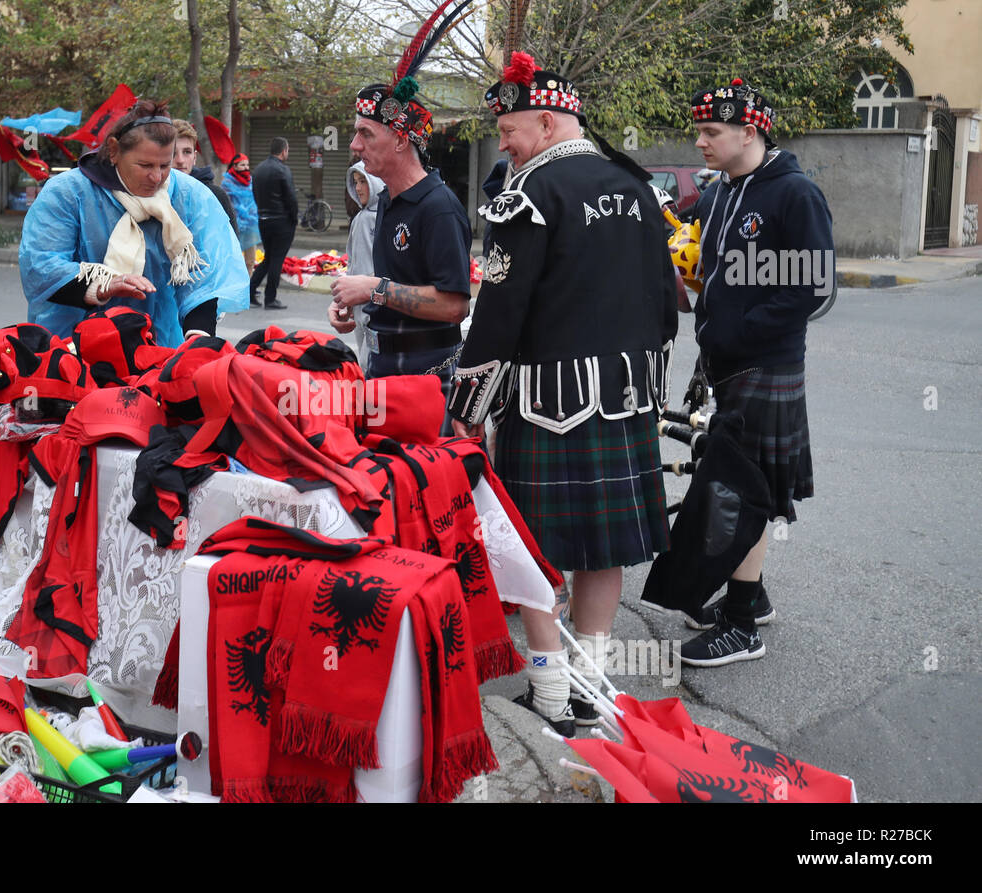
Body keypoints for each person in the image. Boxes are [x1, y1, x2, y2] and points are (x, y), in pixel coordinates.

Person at [446, 54, 678, 735]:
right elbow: (667, 302)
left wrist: (467, 412)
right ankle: (589, 680)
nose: (504, 145)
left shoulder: (527, 196)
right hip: (628, 396)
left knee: (530, 544)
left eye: (510, 130)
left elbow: (497, 318)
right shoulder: (636, 188)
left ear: (546, 121)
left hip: (544, 403)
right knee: (602, 548)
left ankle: (550, 688)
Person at [678, 78, 833, 667]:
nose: (701, 142)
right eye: (700, 131)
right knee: (740, 485)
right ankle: (754, 594)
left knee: (743, 494)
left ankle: (742, 625)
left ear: (751, 132)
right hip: (725, 366)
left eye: (712, 131)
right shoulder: (719, 195)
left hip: (766, 364)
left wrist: (741, 332)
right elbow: (710, 276)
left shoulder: (795, 194)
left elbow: (813, 287)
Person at [19, 99, 249, 344]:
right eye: (145, 165)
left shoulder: (188, 195)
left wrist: (198, 339)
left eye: (165, 165)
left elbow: (203, 276)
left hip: (160, 344)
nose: (157, 177)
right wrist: (103, 284)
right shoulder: (68, 192)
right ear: (114, 150)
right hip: (74, 345)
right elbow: (40, 264)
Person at [328, 80, 471, 395]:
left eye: (366, 133)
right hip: (383, 366)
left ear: (400, 140)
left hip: (426, 375)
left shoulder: (439, 207)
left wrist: (374, 289)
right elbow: (393, 284)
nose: (354, 144)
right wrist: (354, 299)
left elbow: (454, 307)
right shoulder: (387, 202)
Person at [330, 161, 384, 363]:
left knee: (367, 366)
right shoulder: (366, 217)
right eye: (355, 182)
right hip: (369, 306)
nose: (358, 188)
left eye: (363, 181)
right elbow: (356, 265)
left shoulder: (366, 219)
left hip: (367, 309)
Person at [248, 137, 298, 310]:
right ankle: (270, 298)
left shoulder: (259, 170)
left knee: (269, 257)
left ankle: (250, 291)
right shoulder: (283, 170)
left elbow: (254, 193)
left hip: (263, 219)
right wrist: (294, 218)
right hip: (281, 221)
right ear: (284, 151)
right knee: (276, 259)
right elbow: (291, 198)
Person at [170, 119, 238, 235]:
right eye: (172, 153)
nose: (180, 160)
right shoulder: (153, 195)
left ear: (195, 157)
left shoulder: (215, 195)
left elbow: (231, 244)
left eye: (187, 152)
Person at [221, 154, 259, 276]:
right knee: (233, 260)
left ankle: (249, 288)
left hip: (250, 226)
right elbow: (226, 205)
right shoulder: (227, 183)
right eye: (242, 165)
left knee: (250, 261)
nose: (246, 168)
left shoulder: (250, 181)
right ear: (235, 166)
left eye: (247, 165)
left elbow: (254, 201)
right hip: (234, 226)